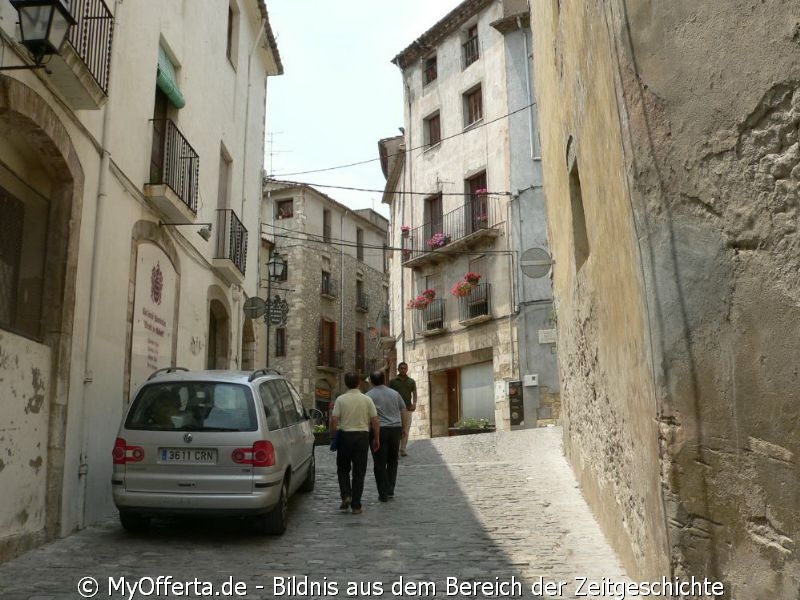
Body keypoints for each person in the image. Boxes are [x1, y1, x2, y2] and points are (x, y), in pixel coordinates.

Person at [330, 372, 380, 514]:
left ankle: (346, 495)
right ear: (359, 382)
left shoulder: (340, 399)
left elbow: (334, 420)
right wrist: (376, 438)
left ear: (346, 383)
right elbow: (375, 420)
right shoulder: (366, 399)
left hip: (345, 436)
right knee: (359, 471)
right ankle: (356, 505)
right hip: (362, 437)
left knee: (342, 468)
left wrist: (334, 436)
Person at [366, 370, 407, 502]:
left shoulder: (368, 396)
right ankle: (390, 489)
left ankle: (382, 492)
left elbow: (367, 417)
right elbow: (403, 410)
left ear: (371, 381)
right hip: (395, 429)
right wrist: (404, 428)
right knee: (393, 460)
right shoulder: (395, 394)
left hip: (378, 430)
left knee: (379, 462)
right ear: (384, 380)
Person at [389, 362, 417, 457]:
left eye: (405, 368)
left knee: (406, 429)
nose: (403, 370)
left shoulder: (411, 381)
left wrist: (414, 403)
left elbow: (414, 392)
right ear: (398, 369)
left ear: (407, 369)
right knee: (397, 430)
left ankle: (403, 449)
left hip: (408, 408)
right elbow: (389, 394)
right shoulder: (392, 382)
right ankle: (395, 450)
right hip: (396, 410)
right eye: (401, 368)